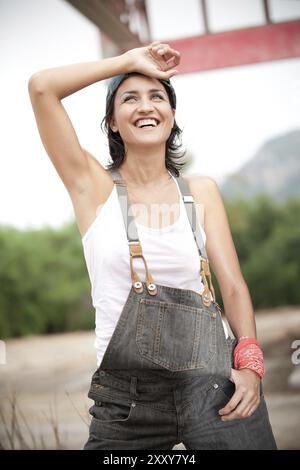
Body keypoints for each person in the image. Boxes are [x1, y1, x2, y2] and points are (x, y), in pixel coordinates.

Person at [28, 41, 277, 450]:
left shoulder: (201, 192)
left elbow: (232, 287)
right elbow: (41, 87)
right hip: (127, 403)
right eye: (130, 98)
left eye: (156, 97)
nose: (146, 106)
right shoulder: (91, 187)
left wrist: (250, 364)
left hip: (214, 387)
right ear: (111, 121)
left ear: (172, 115)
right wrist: (128, 60)